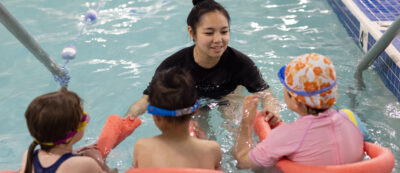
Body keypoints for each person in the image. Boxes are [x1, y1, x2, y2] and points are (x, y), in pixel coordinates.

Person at [125, 0, 281, 126]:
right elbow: (149, 97)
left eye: (224, 31)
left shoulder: (240, 63)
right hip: (194, 100)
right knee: (200, 132)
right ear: (191, 32)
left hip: (229, 95)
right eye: (209, 32)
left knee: (235, 123)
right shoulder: (174, 65)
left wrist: (272, 111)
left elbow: (265, 93)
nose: (218, 39)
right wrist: (129, 117)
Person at [233, 53, 368, 169]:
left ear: (296, 102)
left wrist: (246, 121)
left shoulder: (286, 136)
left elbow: (242, 162)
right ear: (334, 93)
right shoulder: (352, 118)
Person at [132, 67, 222, 169]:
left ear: (156, 116)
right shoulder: (211, 149)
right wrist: (204, 141)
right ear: (195, 110)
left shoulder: (142, 147)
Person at [20, 88, 114, 173]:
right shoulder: (86, 164)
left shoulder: (28, 156)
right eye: (83, 119)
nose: (87, 120)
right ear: (69, 135)